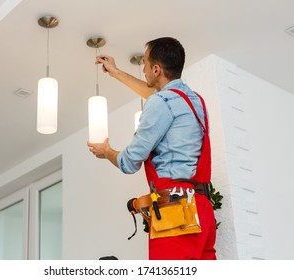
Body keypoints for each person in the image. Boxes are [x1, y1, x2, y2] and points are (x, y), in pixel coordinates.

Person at [87, 37, 216, 260]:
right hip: (202, 209)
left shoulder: (161, 103)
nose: (143, 68)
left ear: (156, 69)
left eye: (145, 63)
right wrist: (116, 72)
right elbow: (160, 98)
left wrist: (107, 151)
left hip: (176, 210)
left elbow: (128, 162)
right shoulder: (194, 101)